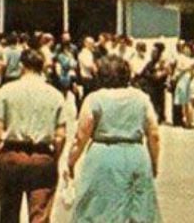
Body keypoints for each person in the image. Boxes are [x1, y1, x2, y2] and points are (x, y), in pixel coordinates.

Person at [67, 55, 162, 223]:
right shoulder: (141, 98)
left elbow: (81, 137)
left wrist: (71, 162)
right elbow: (154, 134)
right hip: (135, 155)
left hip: (103, 157)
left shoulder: (94, 99)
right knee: (137, 211)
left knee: (98, 210)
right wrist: (154, 162)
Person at [0, 49, 67, 223]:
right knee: (40, 213)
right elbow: (61, 135)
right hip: (42, 155)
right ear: (42, 67)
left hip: (12, 155)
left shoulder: (7, 91)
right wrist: (54, 157)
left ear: (22, 66)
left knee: (8, 212)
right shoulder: (55, 95)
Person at [172, 41, 194, 128]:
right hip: (186, 79)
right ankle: (188, 120)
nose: (187, 50)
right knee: (186, 102)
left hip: (184, 80)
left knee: (185, 102)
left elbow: (179, 70)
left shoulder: (184, 59)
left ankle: (187, 120)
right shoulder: (188, 60)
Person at [76, 36, 98, 107]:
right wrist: (95, 67)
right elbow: (88, 65)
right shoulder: (83, 54)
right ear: (85, 43)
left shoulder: (90, 53)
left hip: (91, 78)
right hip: (86, 78)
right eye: (90, 43)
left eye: (93, 43)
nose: (92, 45)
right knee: (87, 97)